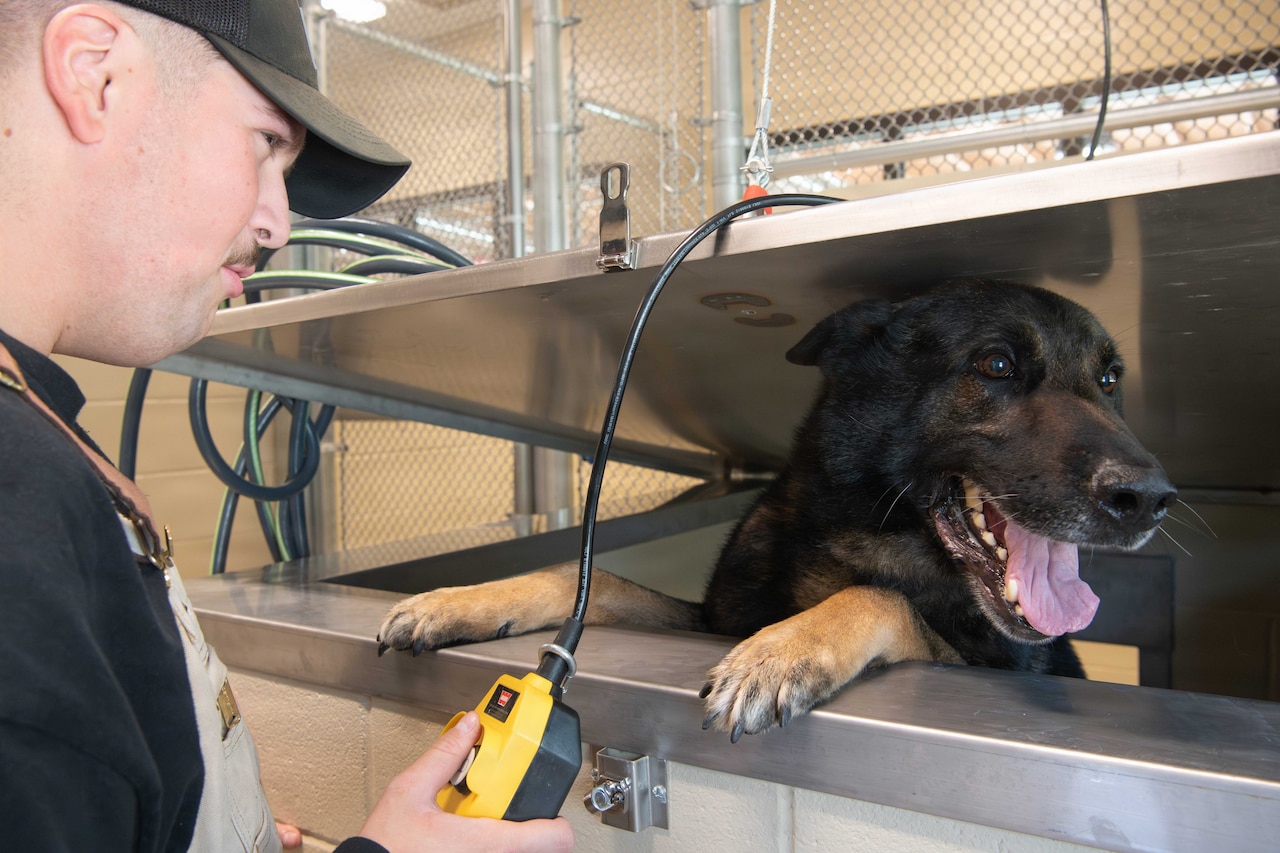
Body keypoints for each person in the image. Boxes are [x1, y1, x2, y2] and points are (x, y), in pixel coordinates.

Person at [0, 1, 574, 850]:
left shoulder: (38, 432)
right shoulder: (17, 500)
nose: (278, 221)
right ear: (96, 72)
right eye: (267, 143)